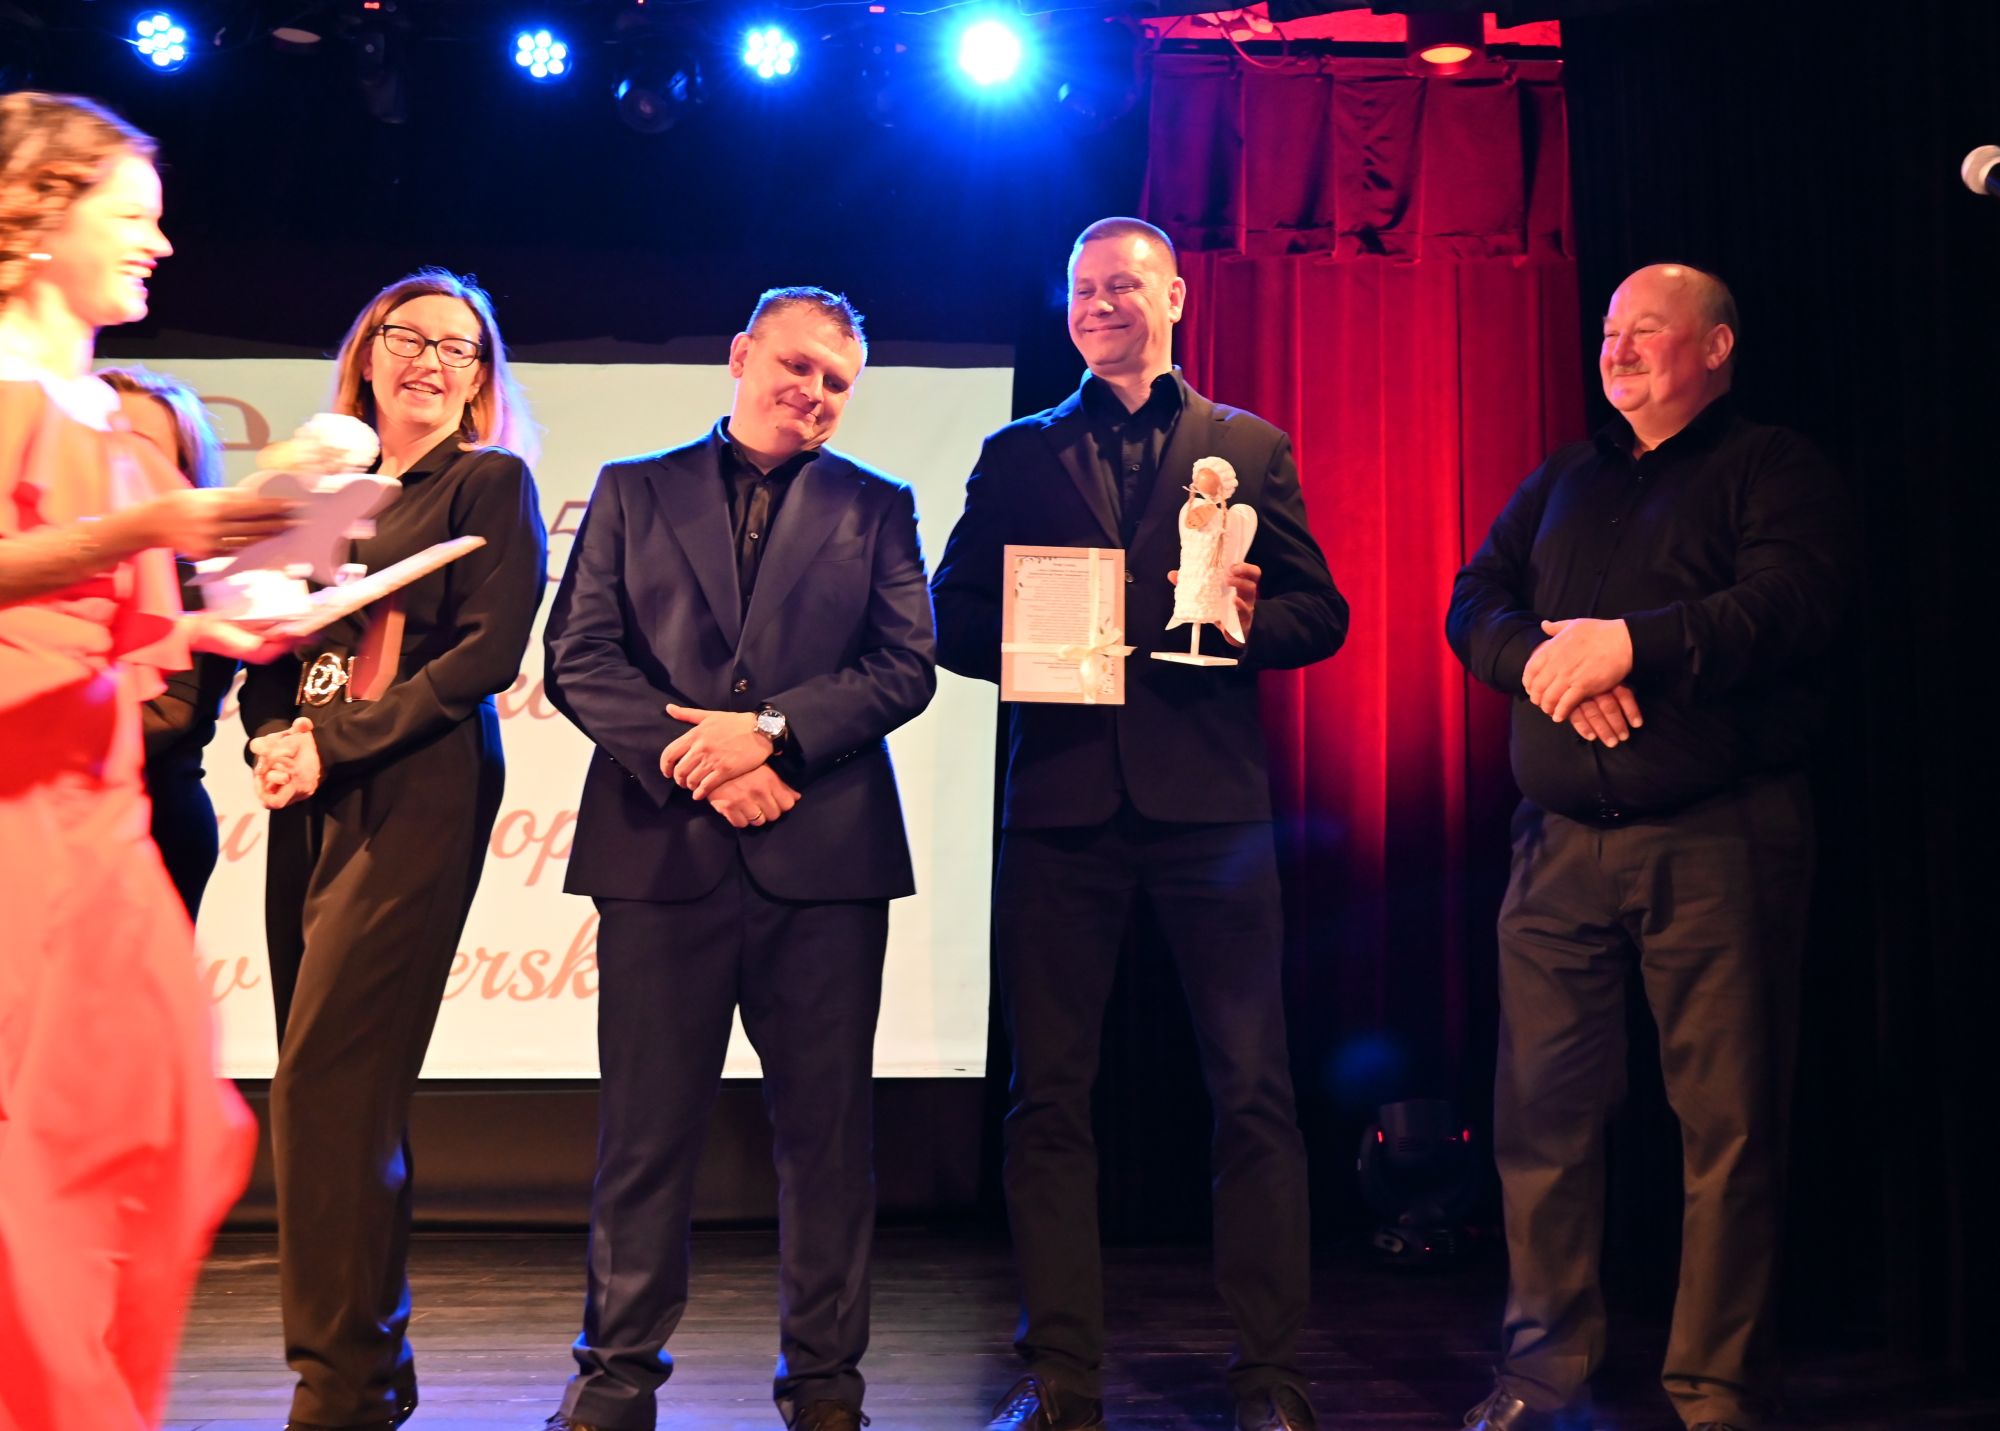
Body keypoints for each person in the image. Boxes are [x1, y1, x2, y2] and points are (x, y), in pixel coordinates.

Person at [930, 217, 1348, 1431]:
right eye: (1081, 289)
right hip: (1059, 810)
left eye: (1122, 285)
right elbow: (949, 616)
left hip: (1211, 811)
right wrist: (1040, 637)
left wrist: (1245, 622)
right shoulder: (1017, 451)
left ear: (1173, 298)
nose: (1099, 304)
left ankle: (1268, 1374)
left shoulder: (1246, 445)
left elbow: (1319, 615)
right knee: (1046, 1099)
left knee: (1252, 1091)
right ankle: (1059, 1373)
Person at [1445, 264, 1849, 1431]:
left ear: (1714, 347)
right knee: (1539, 1122)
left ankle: (1713, 1389)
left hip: (1717, 840)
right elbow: (1473, 600)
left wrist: (1629, 646)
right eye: (1609, 331)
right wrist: (1550, 666)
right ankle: (1539, 1376)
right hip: (1556, 848)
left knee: (1726, 1127)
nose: (1615, 350)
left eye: (1645, 331)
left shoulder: (1770, 467)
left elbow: (1789, 605)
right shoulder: (1562, 477)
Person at [540, 286, 935, 1431]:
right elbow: (579, 657)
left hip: (825, 863)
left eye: (836, 381)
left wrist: (768, 737)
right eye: (796, 365)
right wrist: (705, 763)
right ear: (739, 355)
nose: (813, 392)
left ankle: (824, 1387)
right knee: (644, 1133)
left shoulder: (878, 505)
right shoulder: (631, 488)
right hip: (661, 853)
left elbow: (904, 665)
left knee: (826, 1140)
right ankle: (614, 1381)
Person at [0, 90, 293, 1429]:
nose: (159, 244)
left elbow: (103, 624)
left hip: (106, 818)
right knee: (47, 1157)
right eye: (131, 217)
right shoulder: (10, 392)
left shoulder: (101, 413)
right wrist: (156, 529)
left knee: (179, 1134)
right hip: (23, 819)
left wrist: (208, 621)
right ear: (36, 221)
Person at [237, 269, 548, 1430]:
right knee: (328, 1090)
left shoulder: (488, 483)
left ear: (479, 380)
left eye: (458, 348)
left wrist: (332, 743)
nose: (430, 360)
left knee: (329, 1083)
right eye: (408, 337)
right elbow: (268, 648)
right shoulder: (329, 494)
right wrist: (272, 735)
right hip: (306, 791)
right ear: (366, 354)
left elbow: (482, 657)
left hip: (412, 791)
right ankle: (368, 1363)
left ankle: (340, 1381)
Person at [101, 366, 237, 917]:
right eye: (99, 436)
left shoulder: (202, 575)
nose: (114, 456)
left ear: (183, 474)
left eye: (141, 446)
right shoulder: (35, 564)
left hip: (149, 833)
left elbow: (167, 715)